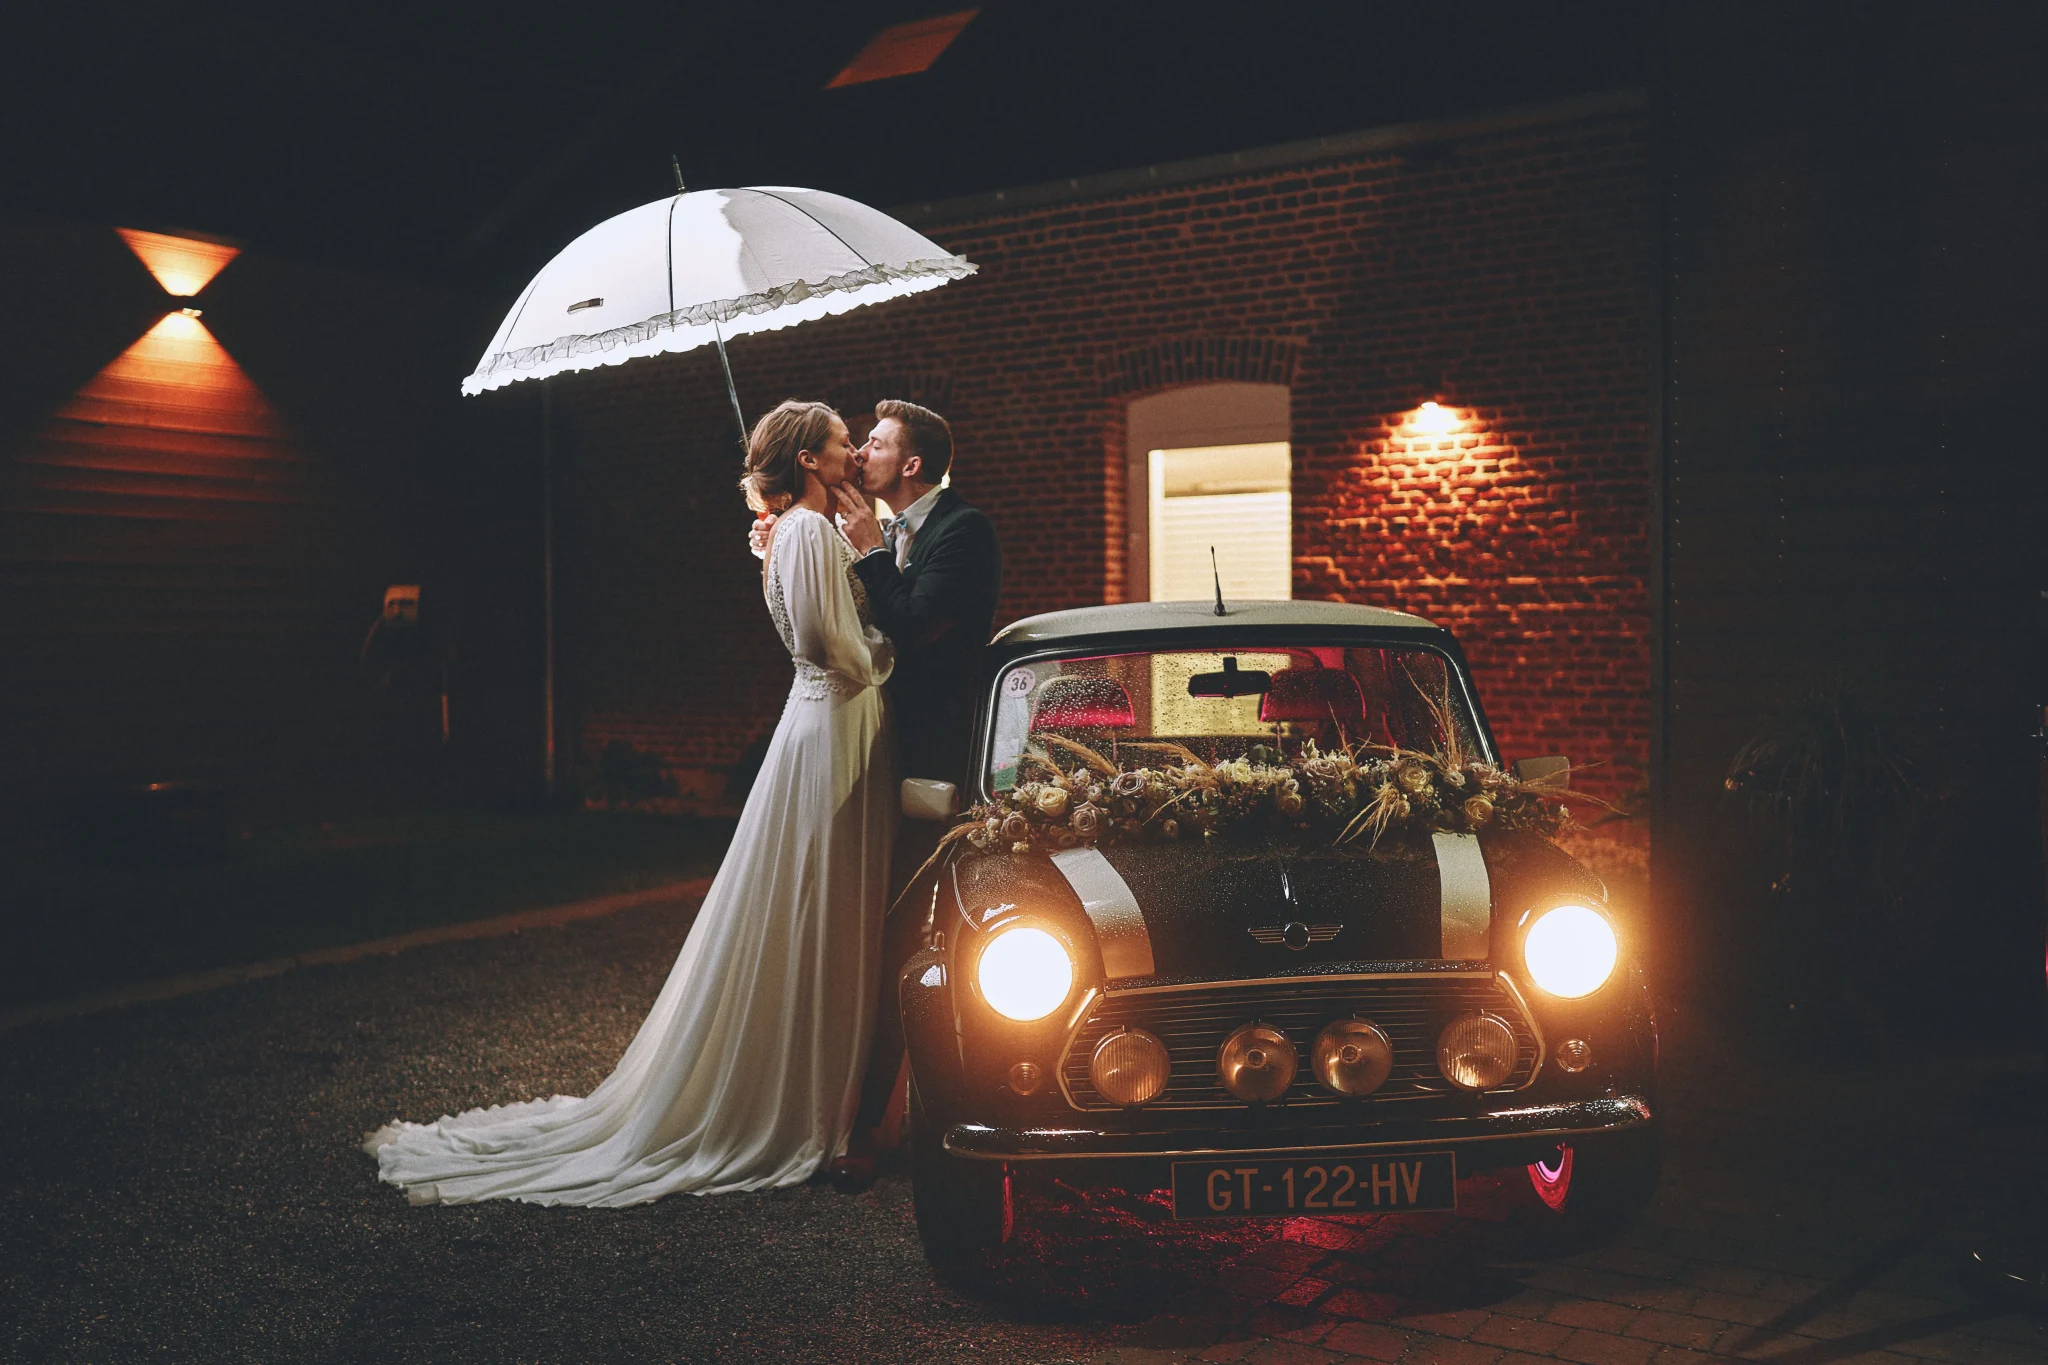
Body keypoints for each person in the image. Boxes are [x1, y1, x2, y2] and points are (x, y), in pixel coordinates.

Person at [362, 400, 896, 1205]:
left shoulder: (784, 531)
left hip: (814, 722)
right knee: (817, 905)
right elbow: (830, 649)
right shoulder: (812, 534)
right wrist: (887, 654)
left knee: (806, 902)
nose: (854, 450)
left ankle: (816, 1088)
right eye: (842, 443)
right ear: (811, 461)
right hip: (833, 721)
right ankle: (800, 1105)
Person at [822, 400, 1005, 1187]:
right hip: (877, 750)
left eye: (878, 441)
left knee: (908, 934)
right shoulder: (888, 530)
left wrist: (867, 552)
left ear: (914, 465)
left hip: (937, 760)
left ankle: (876, 1122)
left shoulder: (964, 530)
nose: (863, 450)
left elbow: (916, 627)